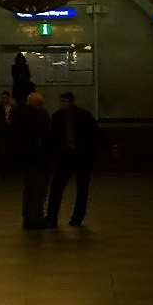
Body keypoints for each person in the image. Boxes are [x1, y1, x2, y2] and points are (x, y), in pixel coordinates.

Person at [44, 90, 102, 228]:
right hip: (68, 156)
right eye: (61, 101)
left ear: (71, 102)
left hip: (80, 156)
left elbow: (93, 135)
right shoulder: (61, 116)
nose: (62, 104)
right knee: (58, 187)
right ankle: (53, 217)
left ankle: (75, 218)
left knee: (80, 188)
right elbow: (52, 138)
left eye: (65, 101)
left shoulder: (81, 116)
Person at [13, 91, 52, 229]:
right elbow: (45, 137)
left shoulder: (20, 116)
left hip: (27, 159)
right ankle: (36, 218)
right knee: (39, 190)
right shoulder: (40, 117)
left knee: (29, 190)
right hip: (39, 159)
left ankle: (28, 218)